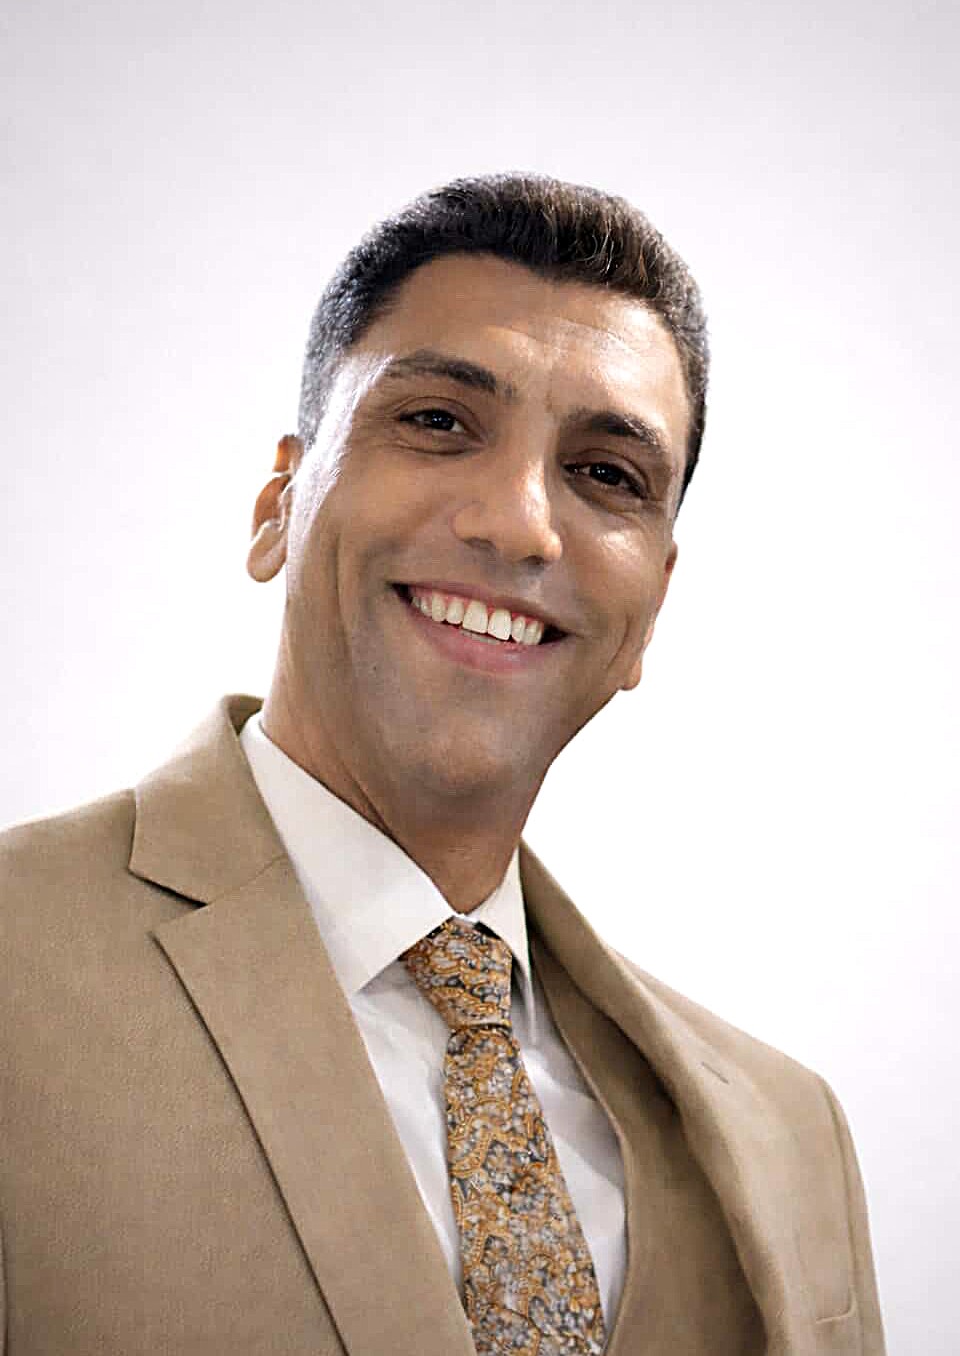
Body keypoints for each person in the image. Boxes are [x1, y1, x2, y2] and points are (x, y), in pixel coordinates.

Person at [0, 174, 886, 1356]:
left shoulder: (795, 1133)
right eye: (437, 421)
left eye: (607, 475)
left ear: (654, 607)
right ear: (278, 504)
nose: (520, 524)